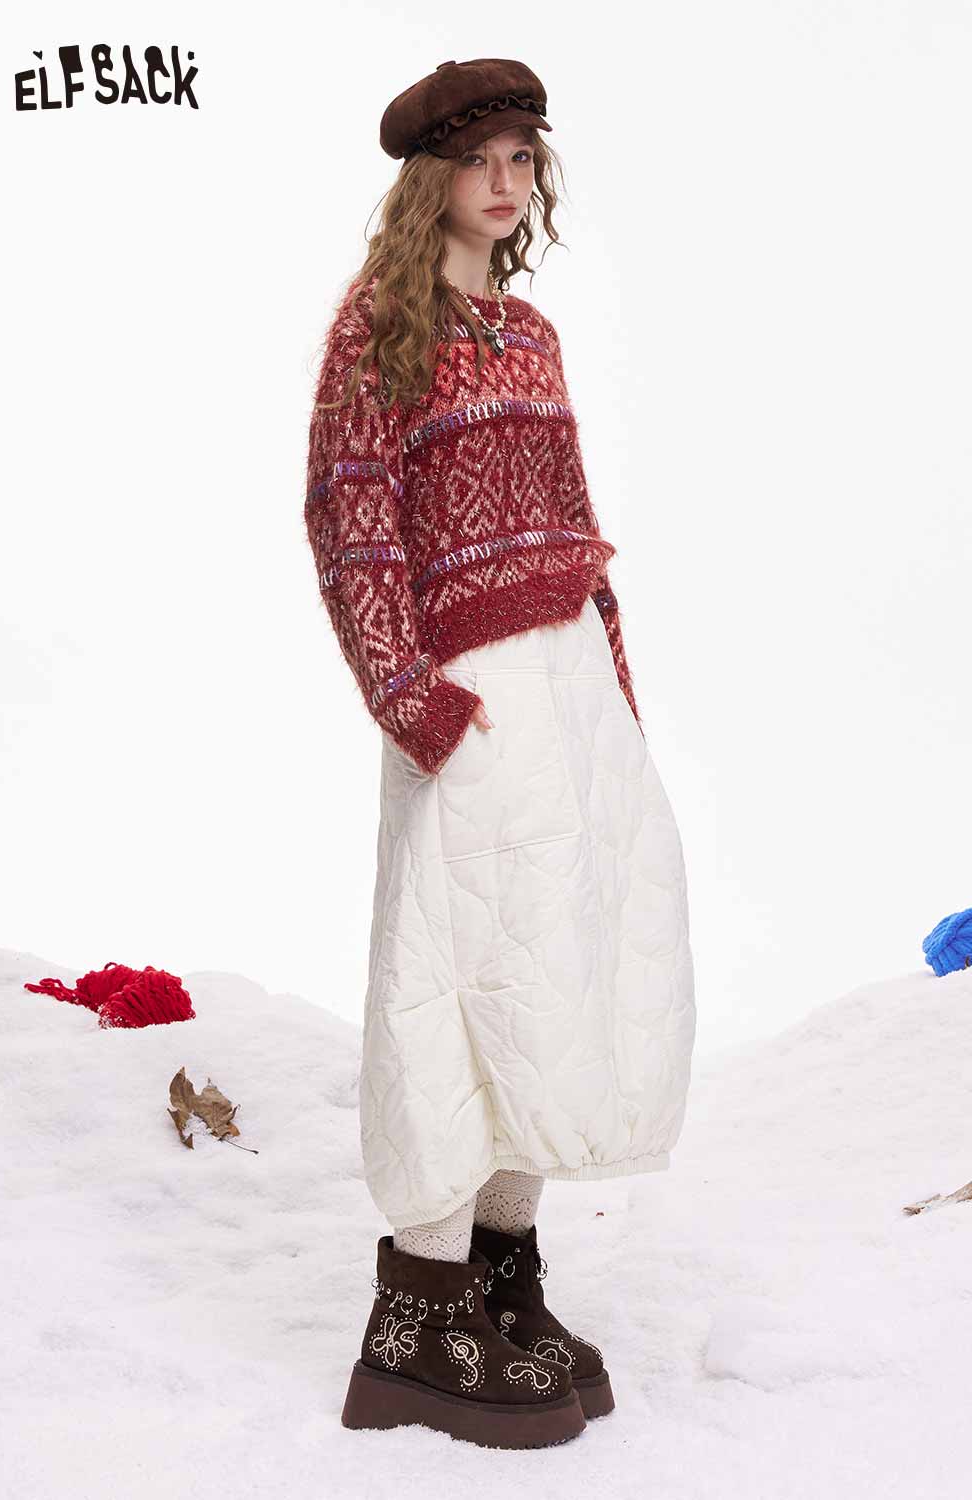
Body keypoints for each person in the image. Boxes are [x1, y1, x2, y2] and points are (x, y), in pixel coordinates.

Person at [303, 57, 696, 1450]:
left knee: (553, 972)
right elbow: (349, 515)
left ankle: (503, 1280)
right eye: (482, 158)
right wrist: (410, 699)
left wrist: (616, 692)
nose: (507, 179)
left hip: (565, 692)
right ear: (431, 179)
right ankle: (417, 1313)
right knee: (451, 982)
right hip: (467, 697)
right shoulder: (378, 327)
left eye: (525, 156)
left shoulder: (531, 335)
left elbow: (577, 523)